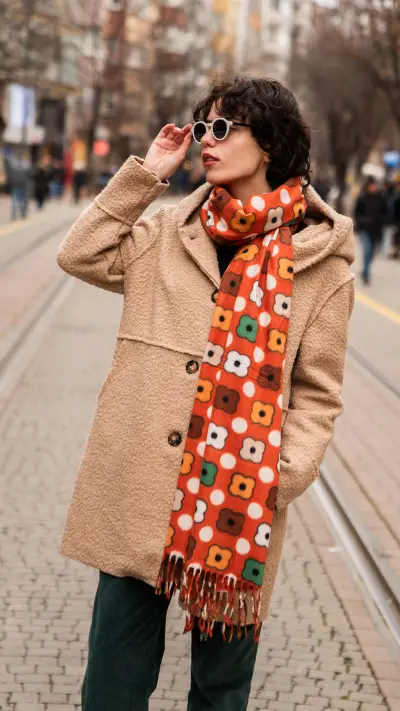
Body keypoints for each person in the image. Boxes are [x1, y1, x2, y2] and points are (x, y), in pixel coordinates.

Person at [57, 75, 355, 711]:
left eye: (223, 128)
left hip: (237, 509)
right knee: (112, 682)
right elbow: (80, 254)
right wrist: (147, 176)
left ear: (268, 143)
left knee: (220, 691)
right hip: (141, 491)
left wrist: (280, 474)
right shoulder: (169, 232)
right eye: (203, 127)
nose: (206, 141)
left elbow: (319, 393)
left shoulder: (322, 264)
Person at [354, 176, 388, 285]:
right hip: (365, 229)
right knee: (367, 250)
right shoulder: (362, 198)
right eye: (371, 186)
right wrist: (362, 222)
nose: (373, 188)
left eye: (375, 186)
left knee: (373, 252)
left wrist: (381, 220)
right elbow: (357, 213)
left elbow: (387, 213)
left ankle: (365, 269)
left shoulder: (382, 198)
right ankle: (366, 274)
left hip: (377, 230)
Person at [6, 154, 31, 220]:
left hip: (15, 185)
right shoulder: (26, 166)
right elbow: (29, 176)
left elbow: (10, 177)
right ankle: (23, 213)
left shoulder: (13, 166)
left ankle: (14, 215)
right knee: (22, 200)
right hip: (23, 185)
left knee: (14, 200)